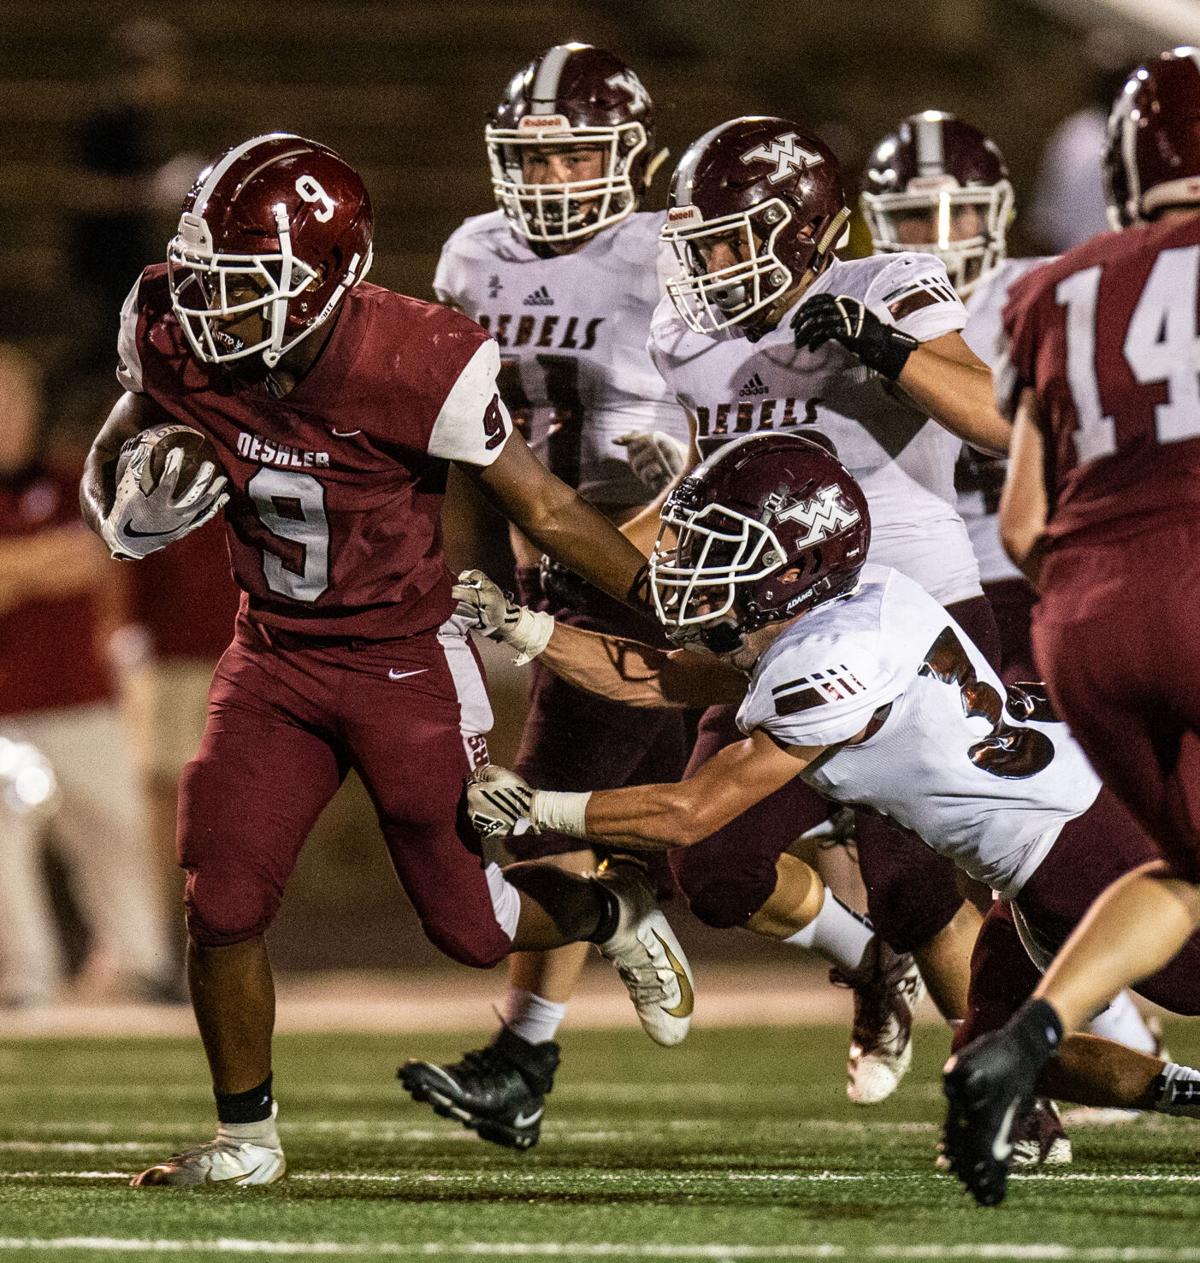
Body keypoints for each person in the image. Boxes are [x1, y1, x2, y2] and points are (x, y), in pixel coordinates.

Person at [78, 132, 695, 1188]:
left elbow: (545, 507)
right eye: (206, 278)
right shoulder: (166, 318)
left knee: (471, 929)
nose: (214, 308)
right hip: (272, 655)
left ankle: (612, 910)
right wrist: (121, 515)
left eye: (245, 284)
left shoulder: (421, 358)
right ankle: (248, 1138)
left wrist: (670, 606)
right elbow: (116, 442)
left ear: (329, 278)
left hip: (403, 660)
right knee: (221, 897)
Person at [458, 432, 1200, 1163]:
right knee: (999, 1056)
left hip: (1076, 849)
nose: (688, 565)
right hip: (1056, 829)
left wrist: (539, 809)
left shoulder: (829, 659)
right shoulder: (849, 604)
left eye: (722, 549)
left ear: (800, 564)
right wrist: (528, 629)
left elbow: (690, 813)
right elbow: (659, 677)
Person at [639, 115, 1013, 1107]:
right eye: (700, 244)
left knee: (917, 887)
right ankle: (870, 961)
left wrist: (885, 348)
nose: (711, 266)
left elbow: (996, 417)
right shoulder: (686, 334)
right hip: (775, 632)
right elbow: (704, 481)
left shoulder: (884, 286)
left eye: (731, 241)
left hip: (917, 617)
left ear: (803, 229)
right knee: (714, 869)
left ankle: (1014, 1100)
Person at [399, 44, 693, 1153]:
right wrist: (475, 568)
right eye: (534, 156)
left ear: (630, 154)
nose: (555, 175)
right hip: (552, 565)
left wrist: (686, 491)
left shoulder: (669, 248)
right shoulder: (473, 253)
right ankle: (865, 951)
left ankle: (531, 1049)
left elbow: (733, 391)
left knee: (551, 813)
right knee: (721, 856)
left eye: (577, 153)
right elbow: (464, 437)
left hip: (671, 558)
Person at [861, 111, 1161, 1149]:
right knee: (960, 841)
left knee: (1049, 827)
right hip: (940, 596)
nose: (939, 236)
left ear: (998, 215)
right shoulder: (861, 302)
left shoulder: (1041, 291)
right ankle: (1027, 1026)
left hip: (1043, 585)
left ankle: (1048, 1024)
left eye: (958, 214)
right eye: (914, 218)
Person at [941, 47, 1200, 1206]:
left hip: (1084, 619)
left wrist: (1113, 597)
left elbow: (1024, 520)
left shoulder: (1053, 288)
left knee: (1185, 871)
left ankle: (1025, 1039)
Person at [0, 344, 175, 1008]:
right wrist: (45, 563)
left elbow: (97, 559)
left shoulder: (74, 477)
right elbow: (65, 560)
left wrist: (20, 567)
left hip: (80, 697)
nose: (7, 417)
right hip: (6, 711)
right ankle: (24, 979)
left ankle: (139, 965)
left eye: (15, 402)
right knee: (4, 848)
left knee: (117, 830)